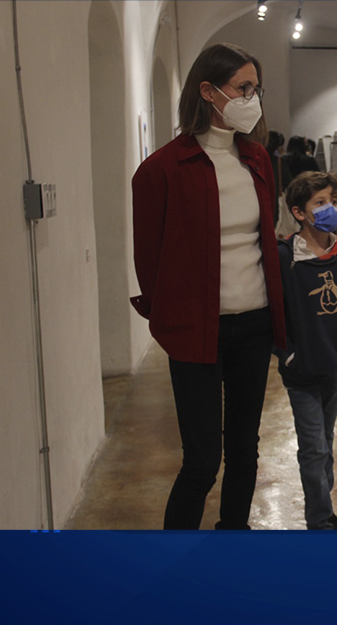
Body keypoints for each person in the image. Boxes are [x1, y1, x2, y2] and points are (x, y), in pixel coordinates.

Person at [130, 42, 287, 530]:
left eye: (256, 89)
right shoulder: (161, 170)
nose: (252, 98)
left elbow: (263, 241)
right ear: (208, 91)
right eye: (244, 88)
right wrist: (170, 319)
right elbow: (149, 260)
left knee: (245, 451)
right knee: (201, 460)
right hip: (197, 332)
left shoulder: (258, 159)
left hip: (255, 326)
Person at [276, 170, 337, 530]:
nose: (332, 209)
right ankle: (319, 520)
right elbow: (275, 314)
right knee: (312, 447)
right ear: (300, 212)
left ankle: (324, 509)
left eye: (334, 202)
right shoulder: (286, 257)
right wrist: (288, 354)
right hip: (303, 372)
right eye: (321, 203)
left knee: (325, 442)